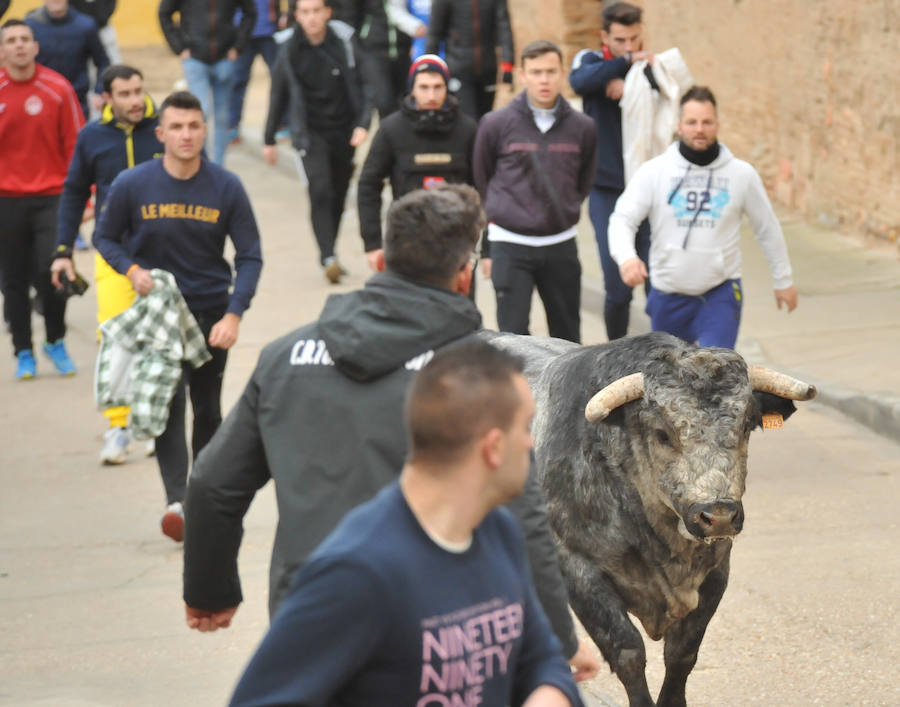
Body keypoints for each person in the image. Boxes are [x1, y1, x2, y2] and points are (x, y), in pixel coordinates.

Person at [181, 185, 598, 680]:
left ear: (383, 262)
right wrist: (557, 642)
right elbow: (523, 515)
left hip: (309, 614)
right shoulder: (479, 375)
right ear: (465, 273)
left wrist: (210, 592)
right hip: (442, 632)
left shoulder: (284, 356)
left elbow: (212, 483)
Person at [229, 340, 586, 707]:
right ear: (493, 448)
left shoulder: (500, 533)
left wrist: (551, 692)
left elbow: (541, 657)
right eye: (526, 427)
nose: (532, 443)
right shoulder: (354, 573)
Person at [93, 90, 263, 541]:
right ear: (161, 133)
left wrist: (234, 314)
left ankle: (202, 495)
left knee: (207, 409)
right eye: (178, 127)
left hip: (209, 315)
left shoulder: (226, 187)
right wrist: (131, 270)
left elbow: (250, 256)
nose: (186, 135)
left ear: (204, 131)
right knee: (168, 405)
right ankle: (178, 502)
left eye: (194, 127)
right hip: (158, 316)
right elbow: (104, 238)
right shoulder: (133, 184)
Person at [609, 86, 798, 349]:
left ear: (717, 125)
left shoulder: (741, 174)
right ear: (679, 125)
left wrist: (783, 280)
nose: (700, 129)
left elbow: (767, 228)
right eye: (692, 122)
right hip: (667, 294)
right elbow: (622, 218)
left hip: (719, 294)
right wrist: (627, 258)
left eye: (707, 122)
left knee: (717, 376)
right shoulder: (655, 171)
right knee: (670, 382)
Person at [50, 64, 161, 465]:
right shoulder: (92, 137)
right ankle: (119, 427)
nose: (135, 100)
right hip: (113, 253)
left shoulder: (164, 129)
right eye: (125, 94)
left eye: (138, 91)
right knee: (115, 340)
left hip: (165, 254)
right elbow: (74, 191)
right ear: (106, 99)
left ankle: (154, 422)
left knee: (160, 341)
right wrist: (63, 249)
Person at [474, 40, 597, 344]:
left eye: (551, 71)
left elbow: (584, 182)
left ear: (562, 73)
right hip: (509, 245)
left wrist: (562, 208)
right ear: (522, 75)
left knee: (568, 340)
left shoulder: (584, 127)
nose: (544, 79)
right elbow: (482, 178)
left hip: (560, 245)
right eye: (536, 72)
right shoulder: (494, 124)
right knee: (512, 342)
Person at [263, 0, 373, 284]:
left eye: (316, 11)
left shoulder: (345, 43)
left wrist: (363, 123)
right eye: (305, 12)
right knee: (320, 188)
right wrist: (269, 138)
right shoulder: (288, 49)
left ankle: (331, 251)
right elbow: (278, 94)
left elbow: (366, 84)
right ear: (297, 16)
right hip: (309, 133)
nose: (311, 18)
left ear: (327, 12)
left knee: (338, 192)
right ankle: (327, 256)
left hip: (344, 130)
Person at [0, 19, 83, 380]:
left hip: (53, 198)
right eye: (11, 41)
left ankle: (56, 340)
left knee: (52, 274)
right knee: (13, 281)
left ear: (36, 46)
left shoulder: (58, 89)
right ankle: (23, 350)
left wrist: (84, 197)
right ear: (2, 50)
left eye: (25, 39)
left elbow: (77, 148)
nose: (19, 46)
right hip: (5, 200)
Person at [569, 1, 654, 341]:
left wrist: (636, 82)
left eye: (634, 39)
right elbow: (578, 81)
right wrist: (622, 65)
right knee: (617, 286)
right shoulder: (592, 61)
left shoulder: (647, 68)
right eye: (620, 40)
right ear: (604, 36)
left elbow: (674, 92)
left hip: (648, 190)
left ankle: (667, 360)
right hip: (606, 191)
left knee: (657, 284)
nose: (629, 47)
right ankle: (617, 354)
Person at [357, 54, 476, 269]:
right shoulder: (391, 130)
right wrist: (372, 243)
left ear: (447, 88)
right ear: (412, 88)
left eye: (438, 87)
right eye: (424, 87)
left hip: (456, 244)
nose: (431, 95)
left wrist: (482, 246)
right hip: (407, 242)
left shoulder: (467, 130)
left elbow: (485, 187)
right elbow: (368, 185)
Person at [158, 0, 257, 165]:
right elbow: (164, 13)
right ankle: (199, 165)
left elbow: (250, 13)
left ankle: (217, 168)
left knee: (222, 117)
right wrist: (179, 47)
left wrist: (237, 47)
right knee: (199, 113)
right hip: (195, 59)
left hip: (224, 59)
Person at [425, 0, 514, 119]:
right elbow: (434, 34)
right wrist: (430, 68)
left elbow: (504, 27)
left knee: (485, 118)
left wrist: (508, 64)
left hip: (488, 68)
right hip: (458, 69)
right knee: (467, 119)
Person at [25, 0, 109, 121]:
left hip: (77, 102)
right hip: (40, 101)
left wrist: (99, 91)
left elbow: (103, 61)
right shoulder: (31, 25)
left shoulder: (86, 25)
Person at [348, 0, 425, 118]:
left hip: (403, 50)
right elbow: (352, 18)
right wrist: (359, 50)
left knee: (406, 99)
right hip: (373, 51)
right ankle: (389, 133)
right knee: (384, 101)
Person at [227, 0, 287, 144]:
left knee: (281, 79)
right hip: (242, 32)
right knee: (237, 81)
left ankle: (284, 123)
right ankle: (232, 126)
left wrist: (284, 15)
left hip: (269, 31)